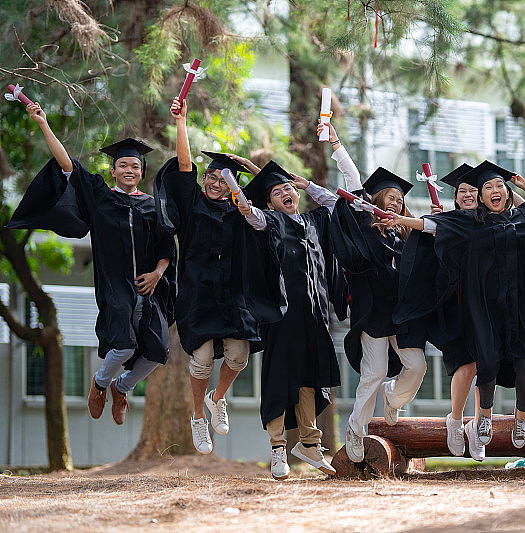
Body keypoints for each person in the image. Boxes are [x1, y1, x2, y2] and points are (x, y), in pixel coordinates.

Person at [8, 102, 176, 426]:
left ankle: (121, 387)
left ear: (142, 171)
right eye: (123, 165)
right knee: (124, 346)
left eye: (135, 166)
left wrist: (158, 273)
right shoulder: (100, 196)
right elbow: (67, 165)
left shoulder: (153, 207)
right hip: (115, 285)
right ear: (113, 170)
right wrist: (44, 124)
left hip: (148, 286)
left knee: (158, 351)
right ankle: (100, 384)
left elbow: (167, 246)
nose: (129, 170)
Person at [392, 160, 525, 457]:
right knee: (487, 359)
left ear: (506, 193)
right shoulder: (471, 222)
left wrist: (523, 187)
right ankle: (484, 419)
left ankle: (521, 420)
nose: (494, 191)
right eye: (487, 187)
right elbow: (432, 225)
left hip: (521, 303)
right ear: (480, 196)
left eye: (498, 187)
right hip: (485, 306)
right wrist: (400, 221)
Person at [156, 98, 285, 454]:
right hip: (198, 294)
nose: (215, 182)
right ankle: (199, 418)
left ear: (231, 184)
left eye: (222, 178)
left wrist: (247, 165)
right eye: (211, 176)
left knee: (239, 355)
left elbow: (277, 188)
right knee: (201, 359)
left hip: (234, 296)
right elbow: (183, 165)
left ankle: (218, 397)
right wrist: (182, 122)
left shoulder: (243, 211)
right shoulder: (191, 203)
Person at [238, 121, 352, 479]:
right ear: (270, 201)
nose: (287, 192)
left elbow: (337, 203)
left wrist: (308, 185)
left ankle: (311, 444)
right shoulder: (270, 221)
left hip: (316, 317)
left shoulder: (315, 220)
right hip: (282, 316)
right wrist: (244, 194)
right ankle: (277, 449)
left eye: (291, 188)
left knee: (311, 379)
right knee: (279, 380)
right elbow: (252, 214)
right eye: (278, 191)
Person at [329, 136, 428, 465]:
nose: (396, 203)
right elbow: (352, 181)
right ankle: (356, 428)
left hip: (401, 316)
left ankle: (393, 396)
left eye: (400, 200)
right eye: (390, 197)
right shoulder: (365, 225)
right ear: (377, 199)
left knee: (417, 366)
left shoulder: (404, 235)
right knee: (373, 372)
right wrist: (336, 143)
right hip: (373, 313)